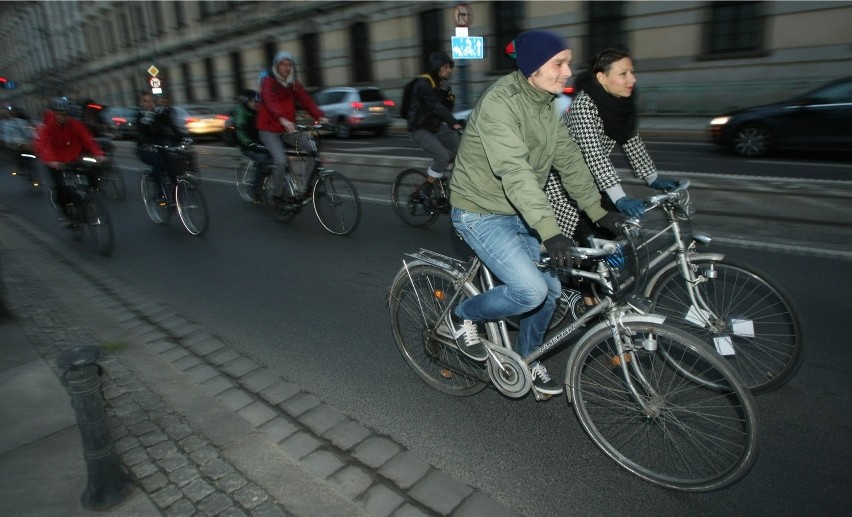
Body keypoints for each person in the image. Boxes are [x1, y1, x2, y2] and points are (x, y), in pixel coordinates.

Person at [447, 30, 623, 397]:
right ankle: (462, 316)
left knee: (553, 289)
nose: (567, 71)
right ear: (532, 70)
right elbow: (515, 171)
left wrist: (599, 210)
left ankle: (528, 358)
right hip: (480, 211)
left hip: (518, 210)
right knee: (530, 291)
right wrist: (550, 230)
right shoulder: (501, 103)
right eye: (558, 63)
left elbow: (569, 160)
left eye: (568, 62)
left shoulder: (546, 103)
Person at [546, 46, 677, 239]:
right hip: (564, 189)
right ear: (601, 78)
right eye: (623, 74)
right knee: (587, 246)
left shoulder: (619, 104)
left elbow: (630, 138)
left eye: (632, 72)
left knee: (615, 235)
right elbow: (594, 155)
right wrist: (619, 197)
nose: (632, 79)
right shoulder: (585, 106)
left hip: (592, 184)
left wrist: (652, 177)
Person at [256, 51, 327, 200]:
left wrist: (320, 116)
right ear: (276, 66)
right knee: (281, 162)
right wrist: (282, 118)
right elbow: (269, 101)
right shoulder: (268, 81)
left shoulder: (293, 83)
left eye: (289, 64)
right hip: (269, 129)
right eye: (283, 64)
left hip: (288, 128)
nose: (287, 67)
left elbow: (306, 100)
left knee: (312, 148)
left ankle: (305, 187)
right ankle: (275, 195)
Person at [405, 51, 464, 212]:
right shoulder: (423, 84)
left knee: (462, 149)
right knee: (443, 156)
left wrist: (449, 100)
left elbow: (445, 108)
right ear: (437, 67)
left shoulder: (443, 86)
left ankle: (439, 174)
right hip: (419, 128)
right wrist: (454, 123)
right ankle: (424, 192)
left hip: (436, 127)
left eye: (450, 67)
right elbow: (436, 107)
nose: (449, 70)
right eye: (446, 67)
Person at [35, 97, 105, 223]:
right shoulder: (48, 128)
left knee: (92, 168)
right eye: (59, 114)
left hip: (73, 157)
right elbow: (44, 144)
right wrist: (52, 161)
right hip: (56, 161)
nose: (62, 117)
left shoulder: (75, 124)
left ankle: (90, 193)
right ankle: (66, 214)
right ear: (55, 114)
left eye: (65, 115)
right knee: (61, 188)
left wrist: (98, 154)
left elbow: (87, 139)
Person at [136, 91, 186, 203]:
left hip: (160, 146)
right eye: (145, 101)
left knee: (171, 164)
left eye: (151, 101)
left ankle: (177, 193)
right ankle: (160, 195)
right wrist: (146, 144)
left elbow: (169, 125)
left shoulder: (158, 114)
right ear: (141, 103)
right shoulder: (140, 116)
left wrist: (183, 137)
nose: (149, 103)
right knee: (157, 162)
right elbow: (141, 133)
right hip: (146, 149)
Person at [233, 89, 269, 203]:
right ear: (247, 102)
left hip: (259, 142)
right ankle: (255, 192)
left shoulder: (258, 111)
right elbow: (240, 131)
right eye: (252, 101)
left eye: (257, 101)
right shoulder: (241, 113)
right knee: (262, 161)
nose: (255, 103)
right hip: (247, 145)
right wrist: (249, 143)